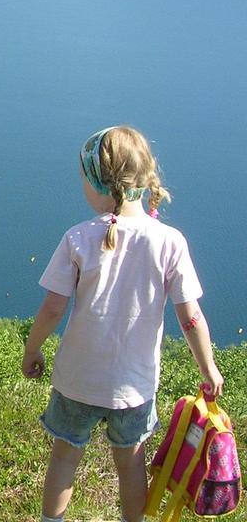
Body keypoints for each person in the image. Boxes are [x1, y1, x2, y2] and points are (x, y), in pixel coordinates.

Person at [23, 125, 224, 522]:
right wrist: (208, 366)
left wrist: (33, 349)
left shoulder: (78, 238)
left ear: (100, 184)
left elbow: (52, 309)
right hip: (134, 386)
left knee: (64, 456)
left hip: (77, 379)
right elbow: (191, 316)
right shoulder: (169, 241)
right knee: (131, 462)